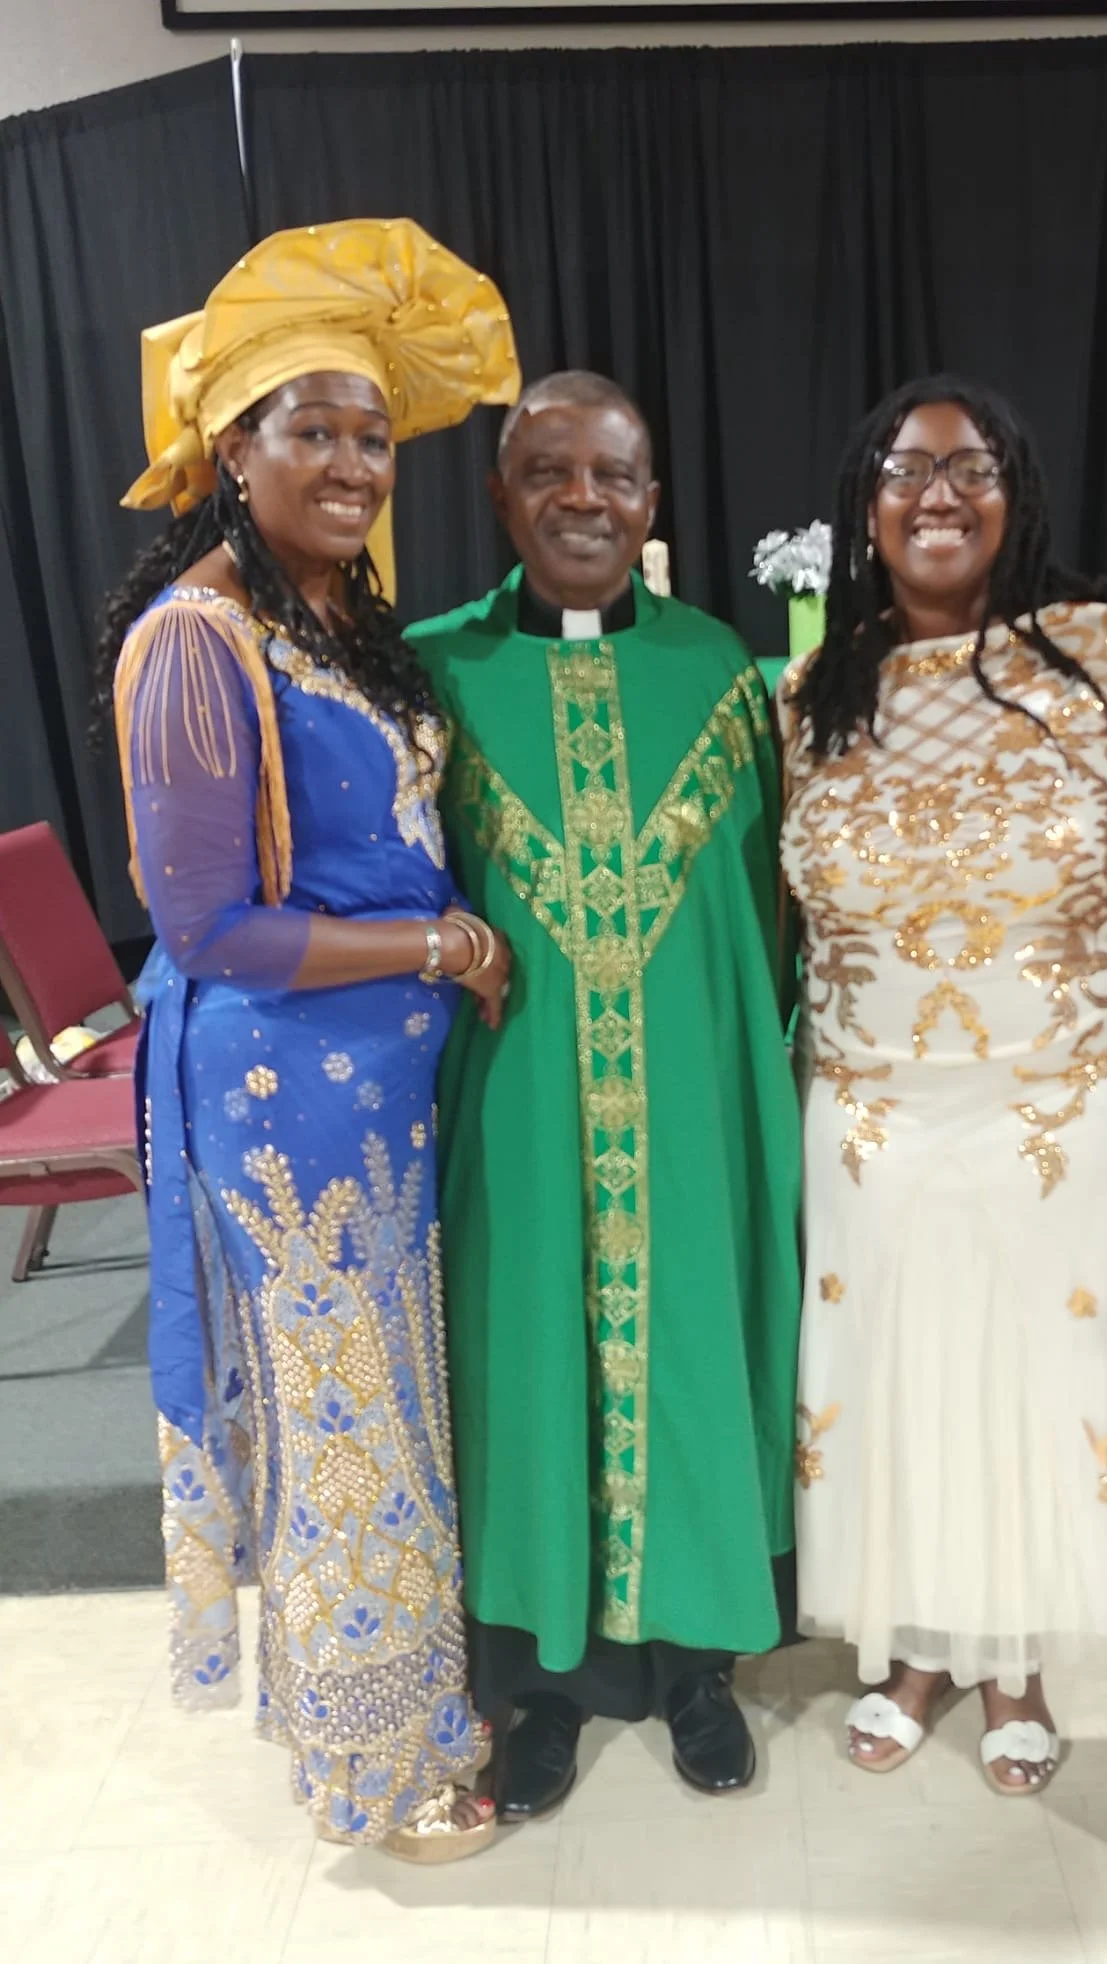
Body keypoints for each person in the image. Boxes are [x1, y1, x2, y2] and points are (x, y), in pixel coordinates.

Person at [100, 219, 518, 1861]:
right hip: (284, 1106)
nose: (353, 462)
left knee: (389, 1420)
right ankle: (378, 1764)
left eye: (371, 435)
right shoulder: (199, 641)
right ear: (231, 452)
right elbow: (209, 928)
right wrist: (442, 942)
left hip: (382, 1100)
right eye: (313, 430)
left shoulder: (339, 615)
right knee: (343, 1431)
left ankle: (411, 1710)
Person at [780, 375, 1107, 1792]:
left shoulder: (1105, 655)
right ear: (866, 505)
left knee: (1032, 1371)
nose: (938, 493)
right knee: (898, 1374)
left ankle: (1014, 1663)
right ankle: (914, 1646)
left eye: (971, 468)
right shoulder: (809, 692)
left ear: (1017, 493)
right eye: (906, 469)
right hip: (874, 1100)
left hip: (1065, 1093)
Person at [410, 371, 802, 1817]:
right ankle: (543, 1688)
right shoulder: (433, 670)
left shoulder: (719, 671)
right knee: (526, 1364)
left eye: (616, 476)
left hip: (691, 1096)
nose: (585, 499)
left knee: (693, 1353)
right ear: (503, 498)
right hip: (512, 1103)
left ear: (653, 503)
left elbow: (765, 908)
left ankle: (698, 1666)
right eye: (550, 472)